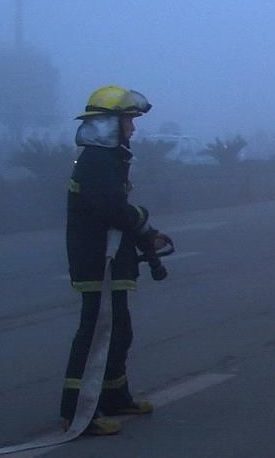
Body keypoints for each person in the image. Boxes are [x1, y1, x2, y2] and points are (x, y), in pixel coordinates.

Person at [60, 86, 172, 436]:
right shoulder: (97, 162)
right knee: (95, 335)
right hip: (97, 261)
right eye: (129, 122)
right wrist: (145, 224)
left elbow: (115, 212)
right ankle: (78, 413)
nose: (133, 130)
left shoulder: (108, 161)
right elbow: (112, 208)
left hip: (110, 258)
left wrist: (142, 231)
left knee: (118, 331)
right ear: (110, 124)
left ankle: (113, 397)